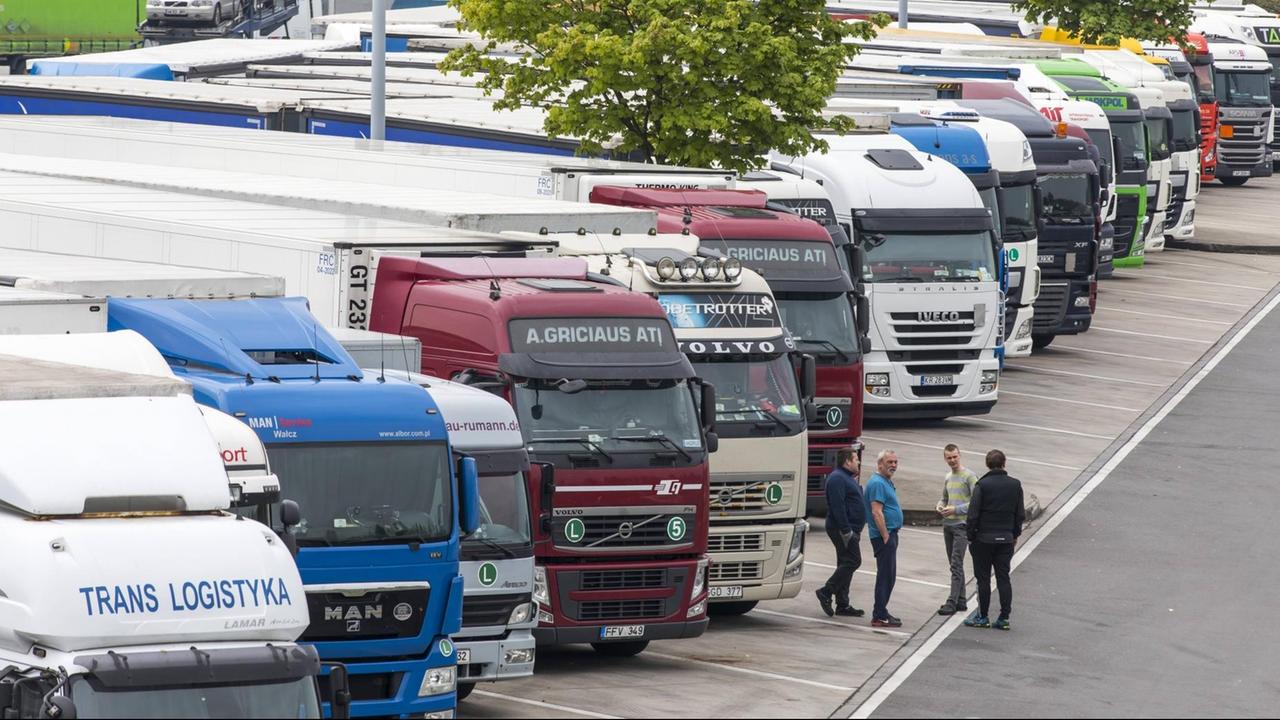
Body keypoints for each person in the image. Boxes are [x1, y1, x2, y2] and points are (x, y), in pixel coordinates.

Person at [963, 449, 1025, 631]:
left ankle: (982, 616)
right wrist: (1014, 534)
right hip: (1005, 538)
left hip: (983, 539)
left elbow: (973, 514)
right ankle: (1004, 617)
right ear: (1004, 462)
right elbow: (1019, 513)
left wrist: (971, 536)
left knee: (983, 579)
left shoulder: (982, 485)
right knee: (1003, 578)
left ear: (987, 464)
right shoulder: (1015, 485)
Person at [816, 447, 865, 618]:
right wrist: (847, 531)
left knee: (845, 563)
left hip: (850, 529)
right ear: (847, 461)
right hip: (842, 529)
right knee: (853, 561)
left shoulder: (846, 478)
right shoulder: (837, 478)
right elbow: (838, 507)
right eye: (855, 459)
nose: (858, 461)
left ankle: (842, 604)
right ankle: (826, 591)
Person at [937, 444, 978, 616]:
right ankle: (961, 600)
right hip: (948, 525)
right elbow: (944, 498)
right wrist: (940, 505)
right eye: (949, 458)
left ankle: (951, 602)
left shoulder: (969, 476)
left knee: (956, 563)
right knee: (955, 564)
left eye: (955, 457)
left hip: (961, 526)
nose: (952, 460)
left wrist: (956, 510)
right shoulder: (948, 477)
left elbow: (976, 502)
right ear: (945, 458)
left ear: (960, 455)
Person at [864, 449, 903, 628]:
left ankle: (881, 611)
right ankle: (879, 614)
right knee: (885, 576)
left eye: (895, 462)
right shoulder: (878, 483)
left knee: (889, 576)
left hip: (889, 535)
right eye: (889, 462)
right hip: (884, 537)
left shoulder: (885, 482)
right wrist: (886, 535)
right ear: (880, 464)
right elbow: (876, 511)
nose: (893, 465)